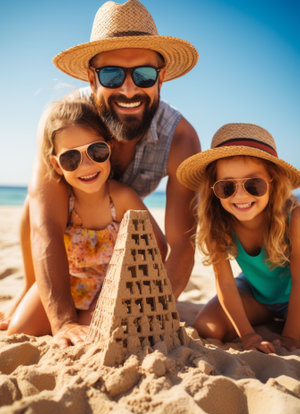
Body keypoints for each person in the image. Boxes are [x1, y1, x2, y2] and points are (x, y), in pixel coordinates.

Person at [2, 0, 201, 347]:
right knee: (36, 204)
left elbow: (181, 244)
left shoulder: (181, 138)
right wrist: (63, 322)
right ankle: (28, 290)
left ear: (162, 76)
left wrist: (149, 314)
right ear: (92, 78)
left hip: (121, 243)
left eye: (144, 75)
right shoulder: (64, 122)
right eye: (111, 74)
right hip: (72, 237)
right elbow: (44, 225)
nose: (128, 89)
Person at [6, 96, 167, 340]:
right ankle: (29, 291)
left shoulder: (121, 199)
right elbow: (39, 237)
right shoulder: (61, 202)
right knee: (20, 330)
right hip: (65, 283)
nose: (86, 165)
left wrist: (116, 296)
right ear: (57, 165)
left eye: (96, 151)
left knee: (91, 331)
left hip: (108, 288)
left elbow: (159, 246)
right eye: (71, 158)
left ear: (109, 147)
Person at [177, 123, 300, 353]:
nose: (241, 195)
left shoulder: (294, 217)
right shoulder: (217, 222)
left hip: (296, 293)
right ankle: (269, 318)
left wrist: (291, 336)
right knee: (208, 326)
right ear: (215, 190)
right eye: (227, 187)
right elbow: (224, 283)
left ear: (273, 181)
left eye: (253, 184)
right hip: (258, 295)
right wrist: (249, 336)